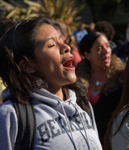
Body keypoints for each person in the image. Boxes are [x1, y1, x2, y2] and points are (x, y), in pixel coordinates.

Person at [0, 16, 102, 150]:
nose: (66, 47)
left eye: (62, 40)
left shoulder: (82, 104)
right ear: (27, 65)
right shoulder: (11, 115)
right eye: (52, 45)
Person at [76, 32, 125, 143]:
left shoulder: (122, 76)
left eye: (107, 46)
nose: (106, 51)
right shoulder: (77, 81)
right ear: (87, 55)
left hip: (116, 138)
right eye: (99, 49)